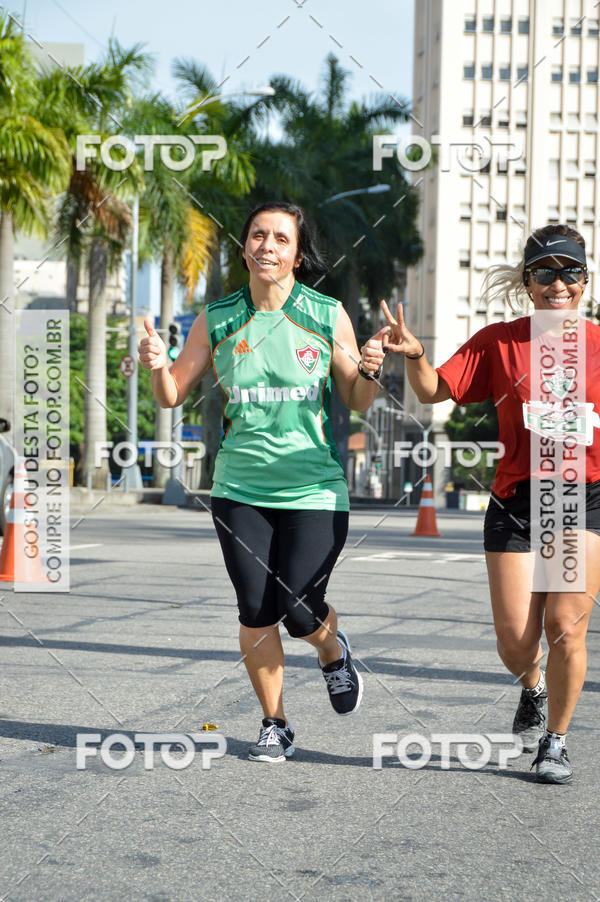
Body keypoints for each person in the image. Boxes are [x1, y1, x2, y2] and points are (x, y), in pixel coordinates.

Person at [138, 201, 388, 762]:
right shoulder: (219, 318)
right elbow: (172, 393)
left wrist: (371, 367)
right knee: (255, 607)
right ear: (244, 246)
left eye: (280, 238)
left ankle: (331, 651)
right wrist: (157, 363)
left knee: (300, 610)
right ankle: (274, 722)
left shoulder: (327, 315)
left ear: (298, 253)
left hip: (314, 489)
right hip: (239, 489)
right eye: (258, 236)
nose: (267, 246)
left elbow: (356, 398)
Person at [381, 223, 600, 784]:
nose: (559, 283)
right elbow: (434, 390)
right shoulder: (500, 342)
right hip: (517, 502)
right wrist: (414, 355)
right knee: (515, 641)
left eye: (570, 271)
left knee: (566, 626)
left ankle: (555, 741)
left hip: (581, 498)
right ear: (528, 282)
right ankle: (532, 687)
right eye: (545, 272)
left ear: (585, 280)